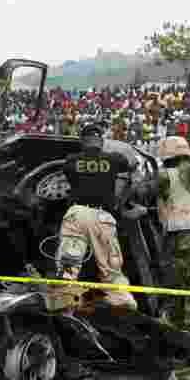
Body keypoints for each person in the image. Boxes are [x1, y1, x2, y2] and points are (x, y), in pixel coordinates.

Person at [130, 136, 190, 361]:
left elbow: (139, 192)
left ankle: (179, 345)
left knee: (175, 292)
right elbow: (181, 202)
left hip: (184, 239)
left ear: (167, 156)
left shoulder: (165, 175)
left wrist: (132, 176)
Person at [57, 122, 137, 310]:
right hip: (102, 216)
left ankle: (64, 298)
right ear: (101, 141)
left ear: (83, 141)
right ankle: (120, 299)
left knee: (69, 260)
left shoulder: (71, 160)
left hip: (76, 214)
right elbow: (131, 166)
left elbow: (68, 177)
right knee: (110, 263)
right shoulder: (115, 159)